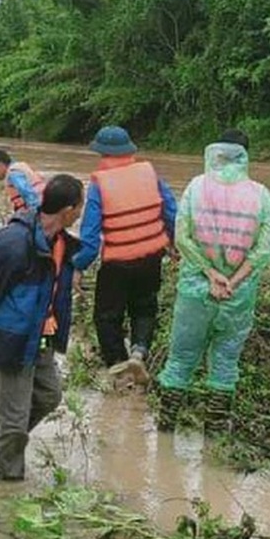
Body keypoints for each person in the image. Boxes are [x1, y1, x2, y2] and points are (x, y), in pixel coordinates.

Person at [155, 129, 270, 434]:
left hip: (196, 291)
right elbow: (264, 250)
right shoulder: (262, 195)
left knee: (181, 358)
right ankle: (214, 435)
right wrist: (233, 281)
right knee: (225, 361)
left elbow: (182, 238)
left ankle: (165, 431)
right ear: (245, 155)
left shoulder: (196, 188)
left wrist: (211, 274)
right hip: (237, 295)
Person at [0, 174, 83, 481]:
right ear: (69, 210)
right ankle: (6, 489)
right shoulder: (13, 243)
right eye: (80, 206)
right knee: (16, 423)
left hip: (39, 338)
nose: (82, 212)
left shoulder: (61, 243)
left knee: (49, 396)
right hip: (10, 340)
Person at [71, 126, 177, 387]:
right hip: (151, 256)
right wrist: (175, 245)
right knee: (145, 307)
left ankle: (119, 367)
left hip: (117, 262)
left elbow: (91, 235)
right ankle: (139, 353)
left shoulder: (99, 184)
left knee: (107, 316)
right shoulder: (150, 175)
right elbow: (172, 211)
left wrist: (78, 265)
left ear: (102, 153)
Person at [0, 149, 46, 214]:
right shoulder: (18, 167)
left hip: (39, 208)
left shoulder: (13, 175)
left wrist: (34, 214)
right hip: (44, 203)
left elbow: (27, 192)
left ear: (0, 164)